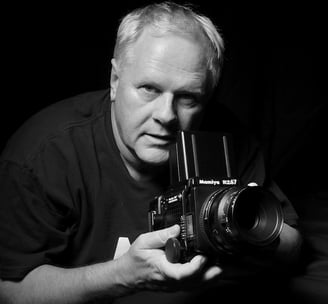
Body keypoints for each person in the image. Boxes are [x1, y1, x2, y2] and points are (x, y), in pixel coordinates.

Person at [0, 1, 302, 303]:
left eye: (187, 98)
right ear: (115, 81)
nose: (166, 115)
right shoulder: (45, 155)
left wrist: (243, 227)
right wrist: (123, 275)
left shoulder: (224, 141)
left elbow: (292, 245)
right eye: (149, 89)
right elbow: (11, 291)